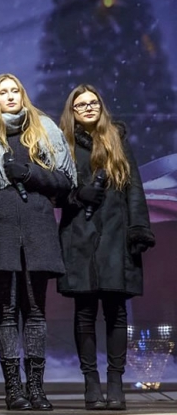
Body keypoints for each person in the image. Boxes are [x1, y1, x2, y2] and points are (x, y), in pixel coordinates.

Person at [0, 73, 77, 411]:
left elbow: (65, 182)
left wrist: (30, 174)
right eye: (3, 92)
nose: (10, 96)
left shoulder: (44, 130)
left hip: (37, 228)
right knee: (5, 312)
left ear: (23, 94)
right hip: (0, 230)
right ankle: (13, 389)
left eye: (15, 90)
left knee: (35, 311)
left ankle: (36, 387)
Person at [57, 84, 155, 411]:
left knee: (116, 313)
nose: (88, 108)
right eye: (80, 104)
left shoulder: (117, 140)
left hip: (116, 236)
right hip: (79, 237)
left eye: (93, 102)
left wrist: (138, 229)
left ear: (101, 106)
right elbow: (55, 189)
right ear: (72, 111)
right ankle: (91, 384)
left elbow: (135, 190)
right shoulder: (64, 144)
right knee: (85, 313)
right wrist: (75, 196)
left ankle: (116, 384)